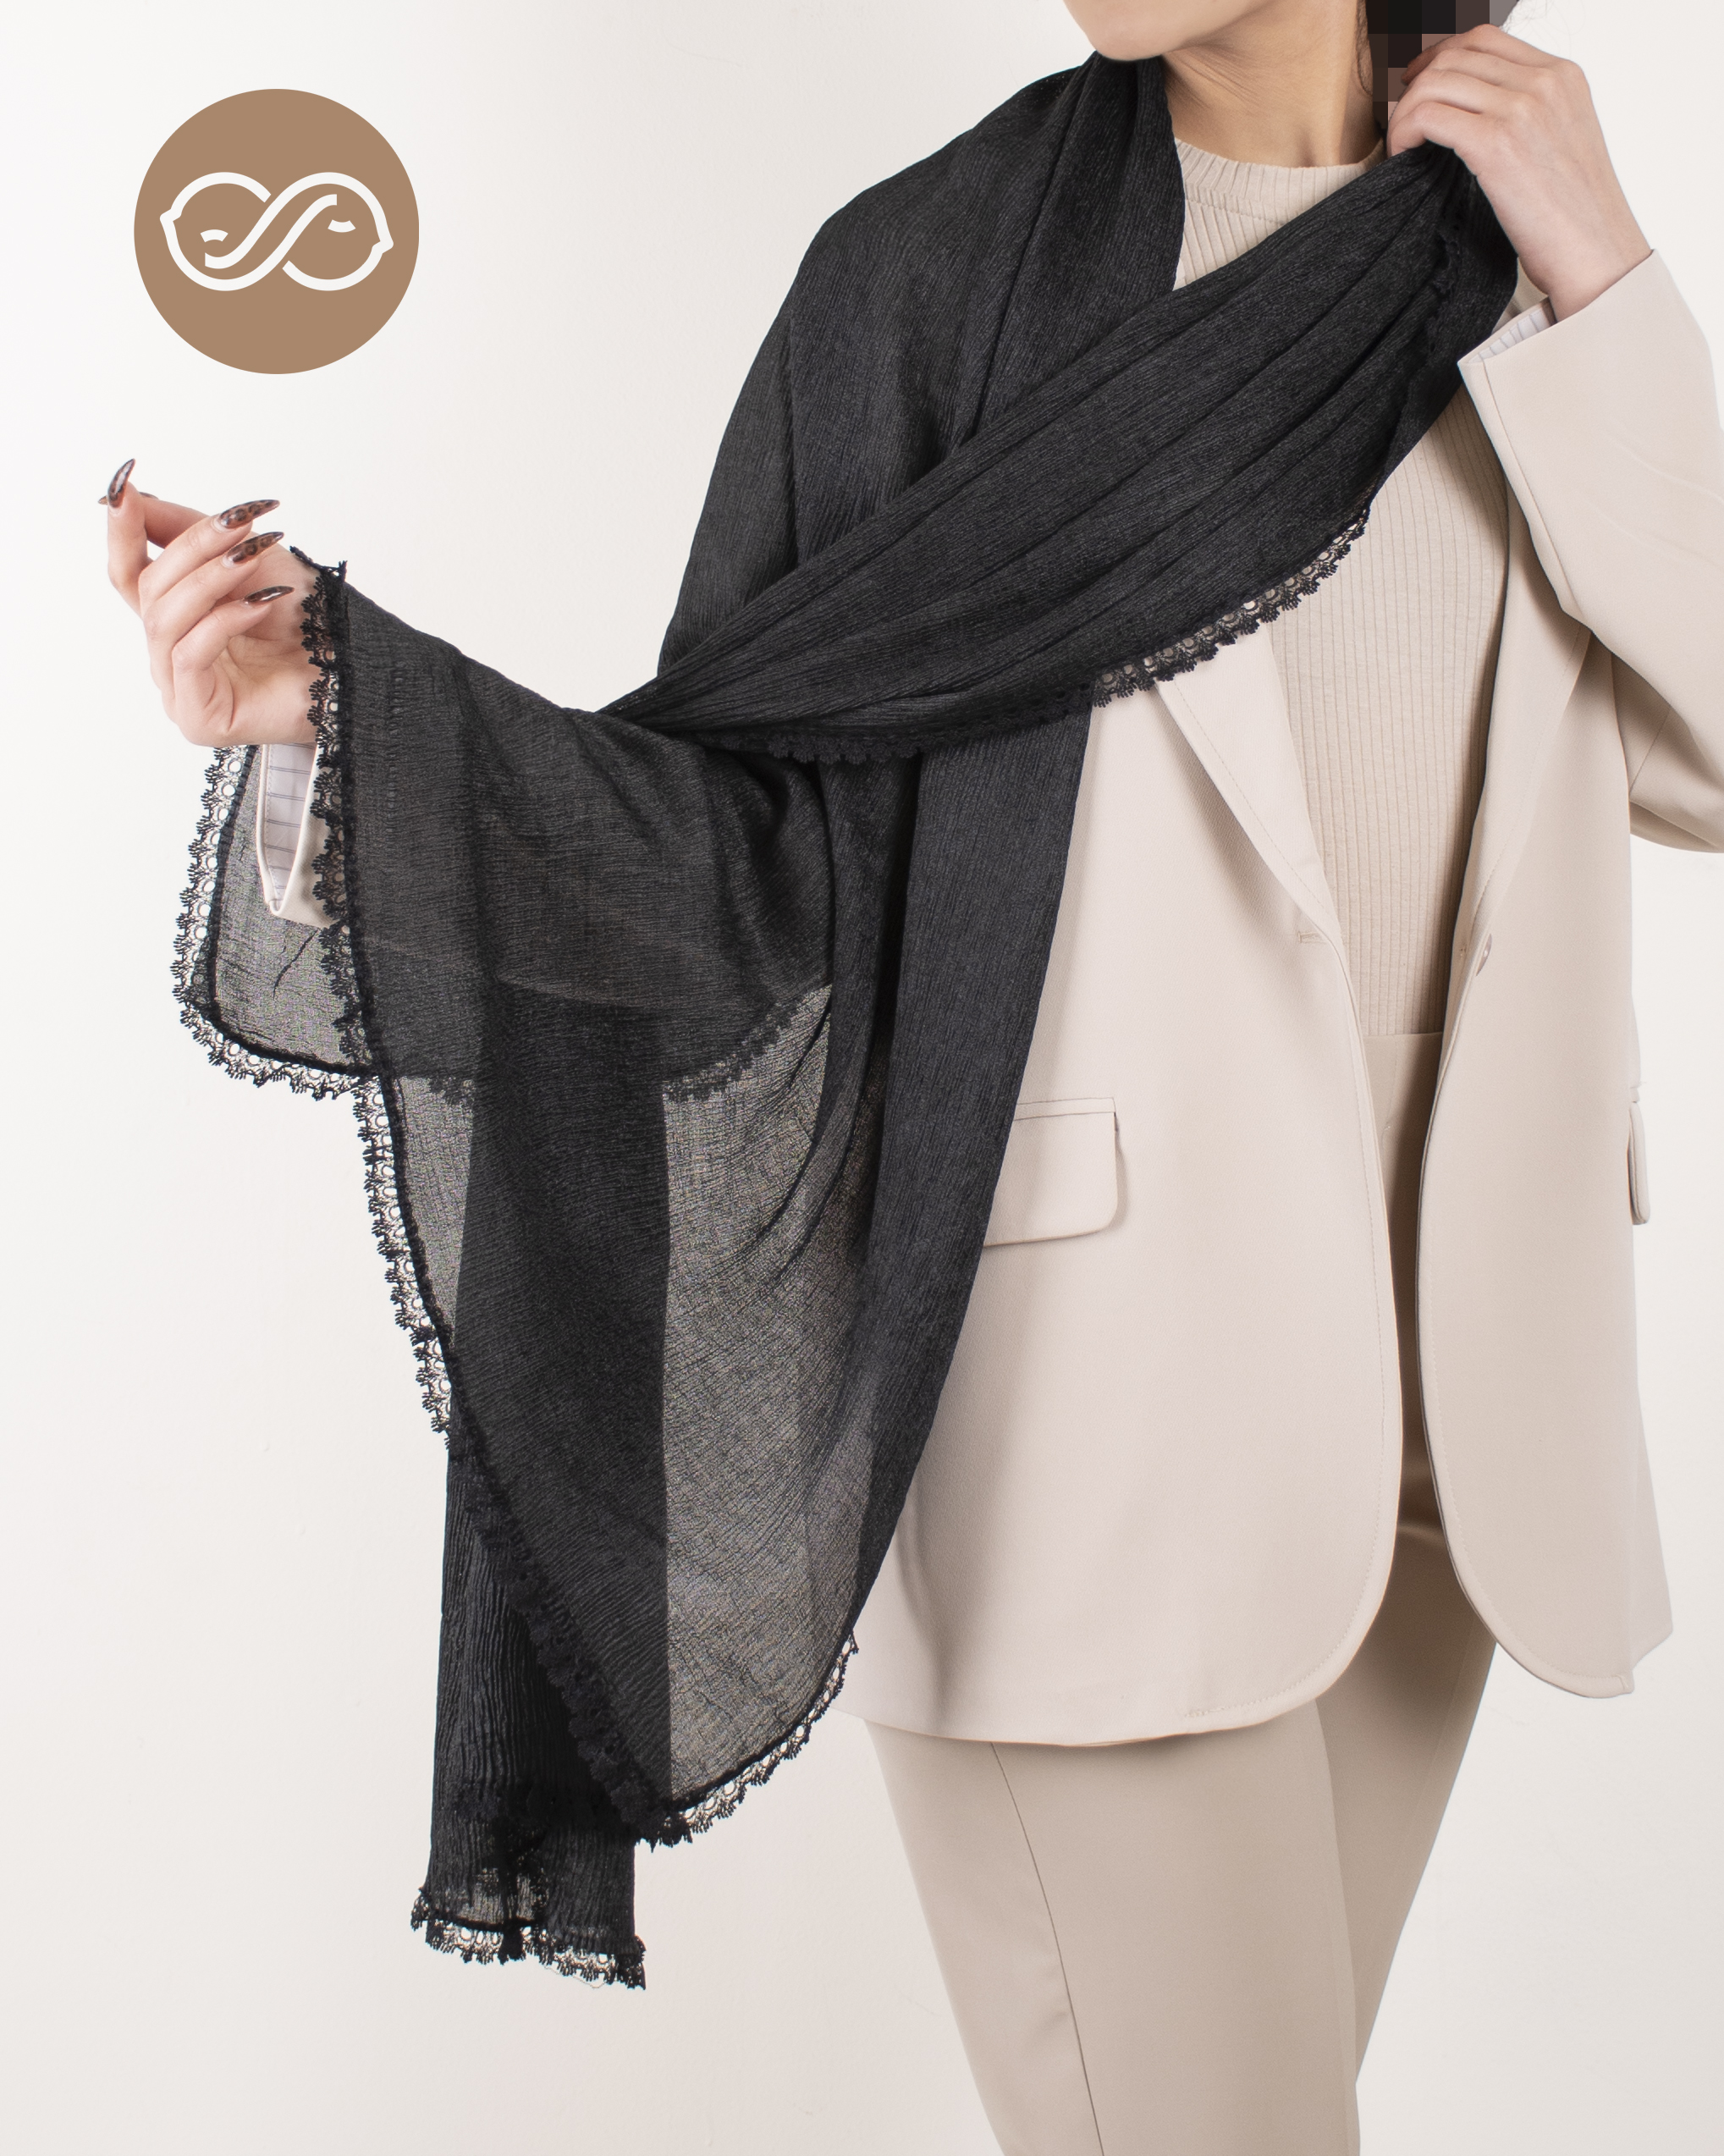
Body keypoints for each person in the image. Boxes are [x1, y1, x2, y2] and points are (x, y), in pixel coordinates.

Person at [103, 4, 1721, 2151]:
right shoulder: (933, 279)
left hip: (1457, 1430)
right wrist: (346, 717)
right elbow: (736, 836)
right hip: (1098, 1426)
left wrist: (1609, 282)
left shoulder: (1503, 257)